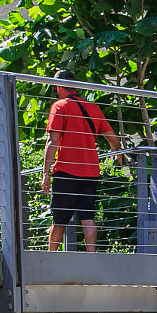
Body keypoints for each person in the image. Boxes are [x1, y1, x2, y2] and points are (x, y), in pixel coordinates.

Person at [43, 71, 120, 252]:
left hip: (66, 172)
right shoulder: (93, 108)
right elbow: (114, 140)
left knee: (60, 219)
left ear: (58, 86)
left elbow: (52, 141)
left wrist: (45, 173)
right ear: (75, 86)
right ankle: (91, 258)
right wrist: (119, 153)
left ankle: (50, 259)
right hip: (91, 172)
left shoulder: (60, 106)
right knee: (87, 216)